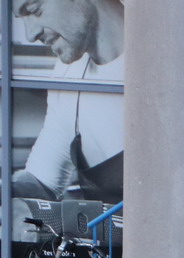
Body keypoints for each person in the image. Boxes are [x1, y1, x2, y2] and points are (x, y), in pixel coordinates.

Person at [11, 0, 125, 202]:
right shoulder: (67, 75)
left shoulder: (168, 59)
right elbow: (41, 181)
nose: (30, 34)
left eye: (35, 9)